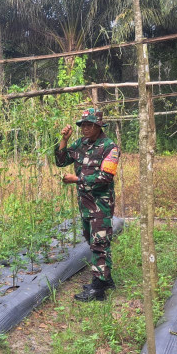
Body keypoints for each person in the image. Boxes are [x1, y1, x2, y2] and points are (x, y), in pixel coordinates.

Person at [55, 108, 120, 301]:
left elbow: (106, 176)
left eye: (89, 125)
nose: (85, 128)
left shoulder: (110, 147)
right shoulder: (81, 144)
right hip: (85, 203)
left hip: (101, 205)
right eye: (82, 125)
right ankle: (106, 279)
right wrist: (64, 140)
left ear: (99, 126)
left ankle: (97, 289)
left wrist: (77, 179)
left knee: (100, 243)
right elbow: (61, 160)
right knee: (92, 241)